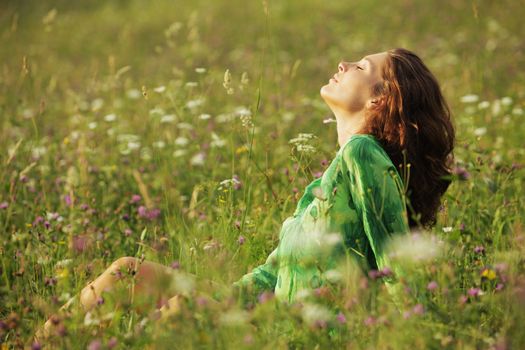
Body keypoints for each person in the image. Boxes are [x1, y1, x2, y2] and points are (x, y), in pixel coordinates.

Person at [35, 47, 455, 340]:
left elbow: (398, 267)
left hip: (303, 332)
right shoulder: (323, 183)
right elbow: (274, 276)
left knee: (182, 314)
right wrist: (222, 300)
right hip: (264, 312)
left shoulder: (366, 155)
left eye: (362, 67)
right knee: (128, 271)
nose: (344, 63)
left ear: (381, 98)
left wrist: (414, 335)